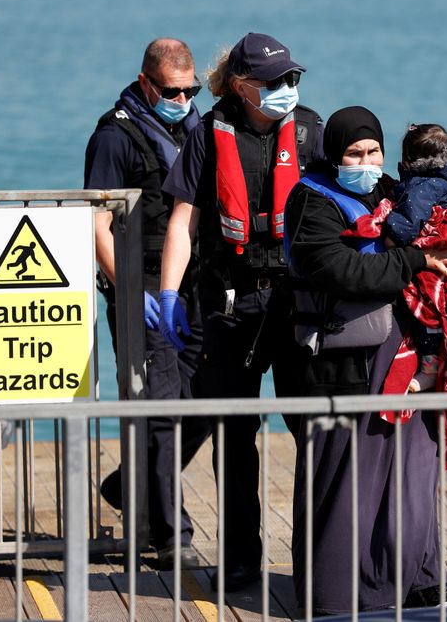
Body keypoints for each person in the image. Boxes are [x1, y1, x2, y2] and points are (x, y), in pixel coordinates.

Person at [283, 106, 447, 614]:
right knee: (347, 478)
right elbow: (340, 270)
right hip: (342, 364)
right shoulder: (310, 200)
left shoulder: (393, 192)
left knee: (414, 468)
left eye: (373, 153)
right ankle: (335, 593)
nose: (366, 162)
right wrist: (413, 260)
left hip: (404, 356)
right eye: (354, 154)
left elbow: (444, 232)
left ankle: (417, 579)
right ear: (333, 155)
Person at [159, 32, 324, 591]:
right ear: (241, 86)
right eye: (274, 82)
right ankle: (238, 560)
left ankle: (315, 560)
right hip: (229, 304)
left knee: (312, 430)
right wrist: (167, 294)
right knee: (233, 435)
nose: (286, 91)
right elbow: (183, 222)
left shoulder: (309, 130)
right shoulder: (207, 134)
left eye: (292, 80)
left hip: (297, 301)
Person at [82, 37, 209, 569]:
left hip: (193, 283)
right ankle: (169, 533)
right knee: (159, 410)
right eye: (172, 92)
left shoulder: (198, 129)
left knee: (205, 401)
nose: (182, 101)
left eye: (191, 91)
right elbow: (96, 223)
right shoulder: (115, 136)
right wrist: (131, 290)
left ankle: (127, 486)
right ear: (145, 83)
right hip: (141, 283)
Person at [385, 123, 447, 392]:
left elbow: (406, 224)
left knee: (427, 308)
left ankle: (430, 366)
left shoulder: (423, 187)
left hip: (440, 253)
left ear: (409, 162)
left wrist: (389, 233)